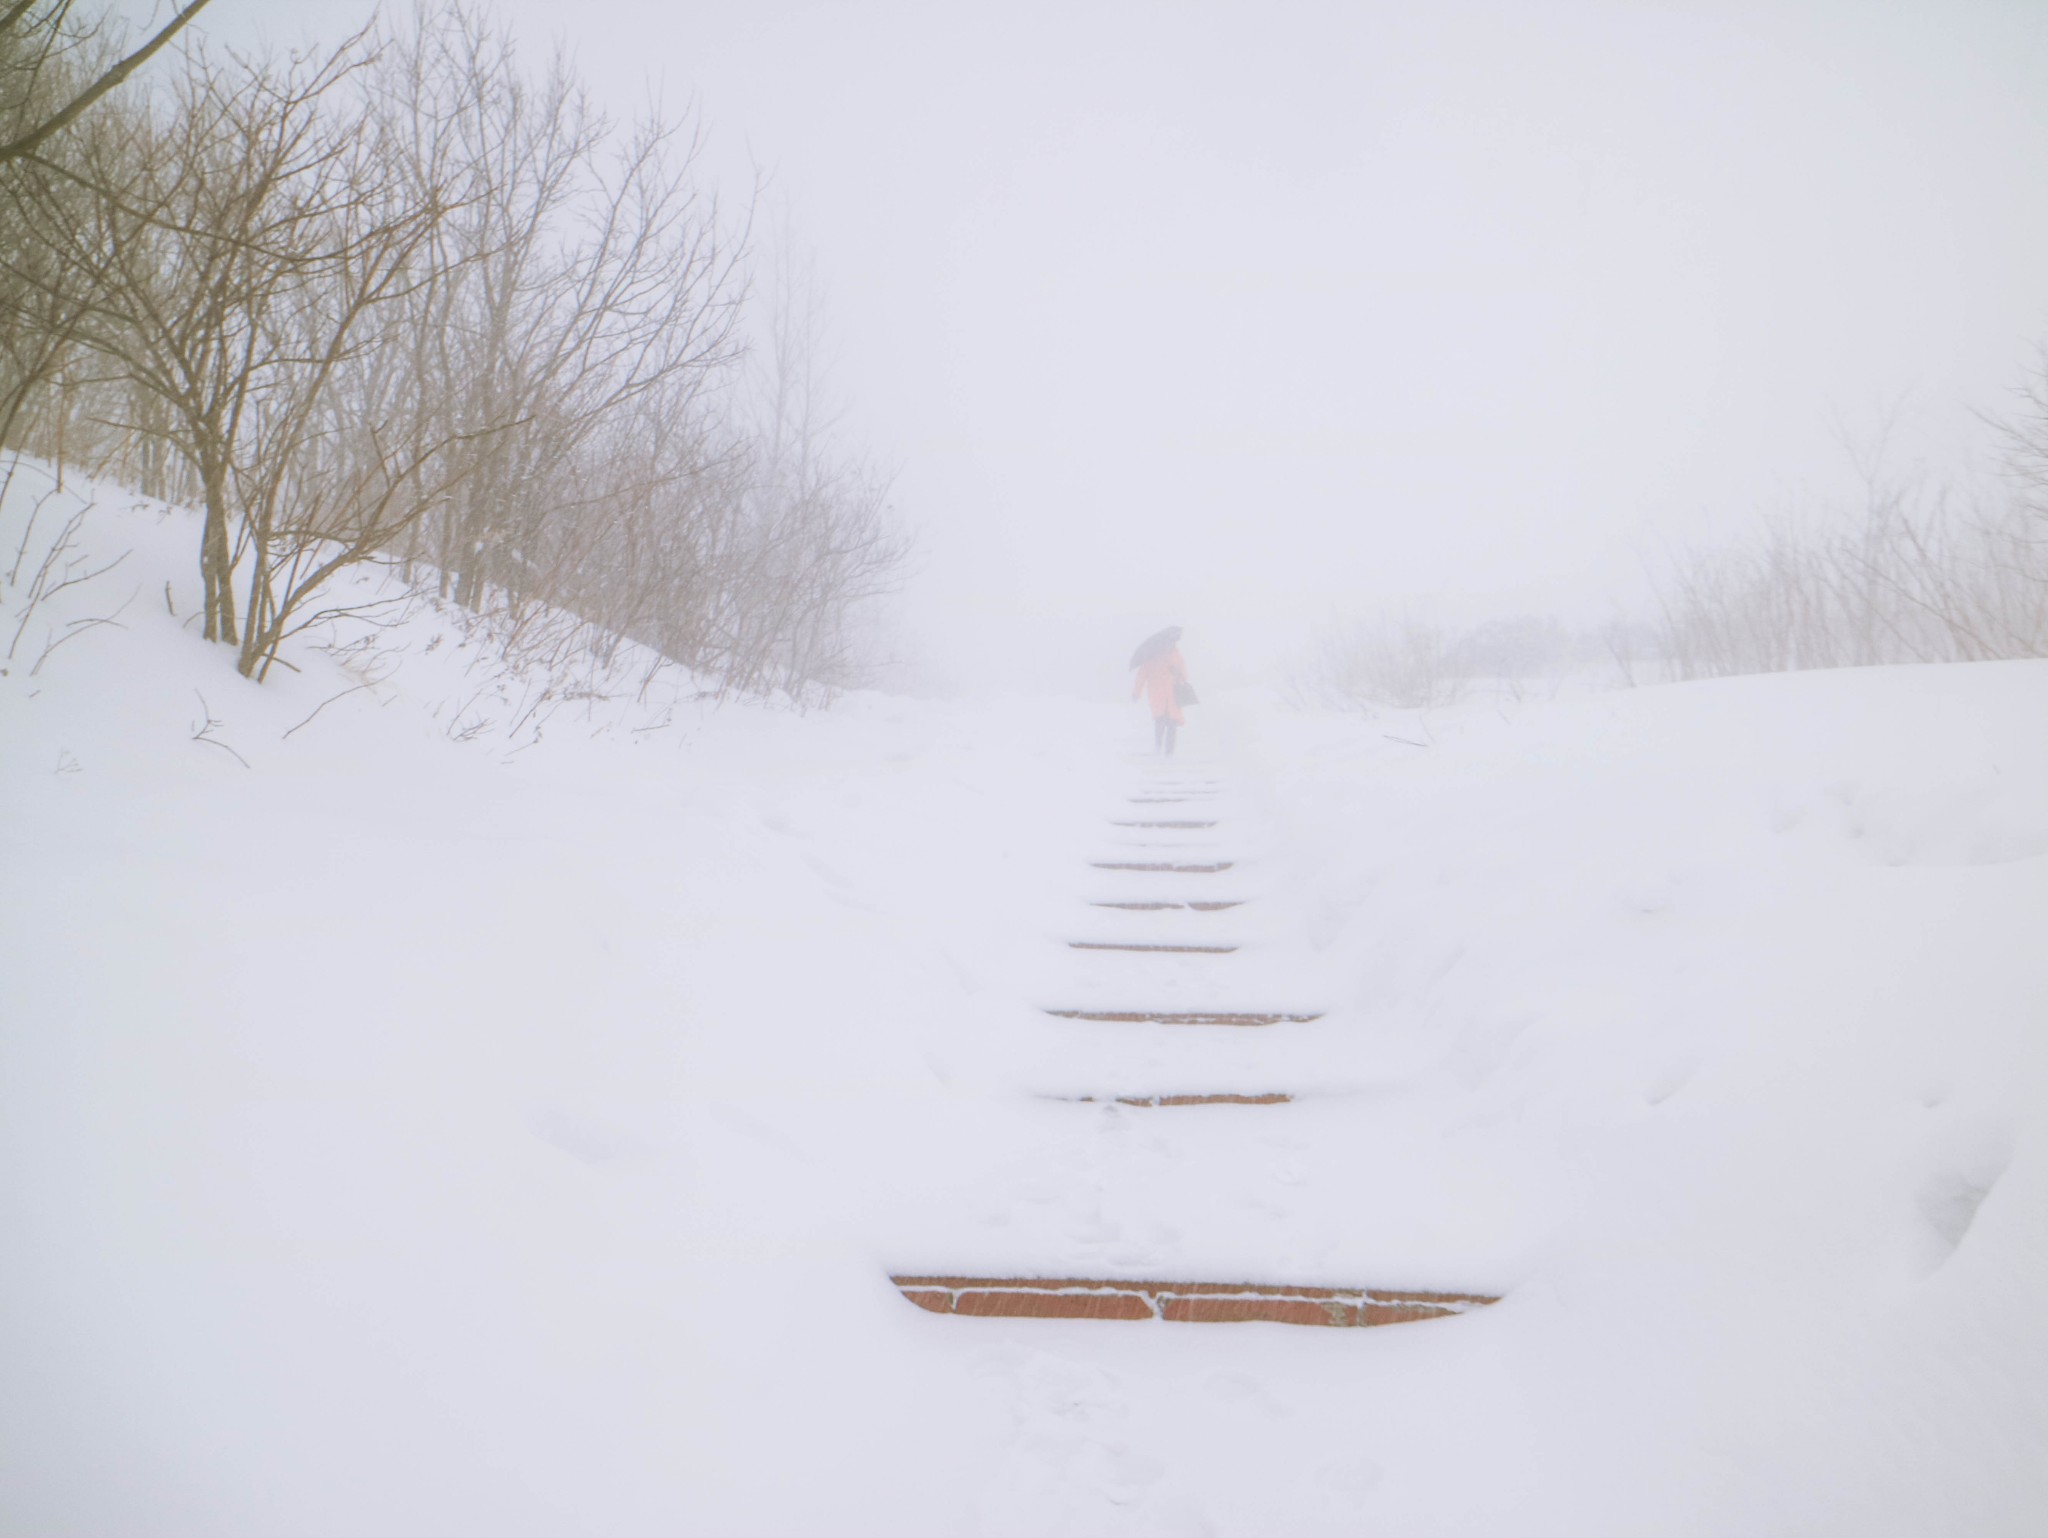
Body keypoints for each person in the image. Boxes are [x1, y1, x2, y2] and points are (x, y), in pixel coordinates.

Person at [1130, 626, 1193, 755]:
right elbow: (1141, 677)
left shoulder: (1177, 657)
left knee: (1172, 725)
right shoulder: (1150, 660)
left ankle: (1169, 753)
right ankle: (1158, 747)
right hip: (1157, 696)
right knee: (1160, 722)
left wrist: (1177, 673)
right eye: (1166, 643)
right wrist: (1136, 692)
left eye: (1171, 643)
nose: (1168, 645)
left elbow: (1184, 676)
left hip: (1173, 696)